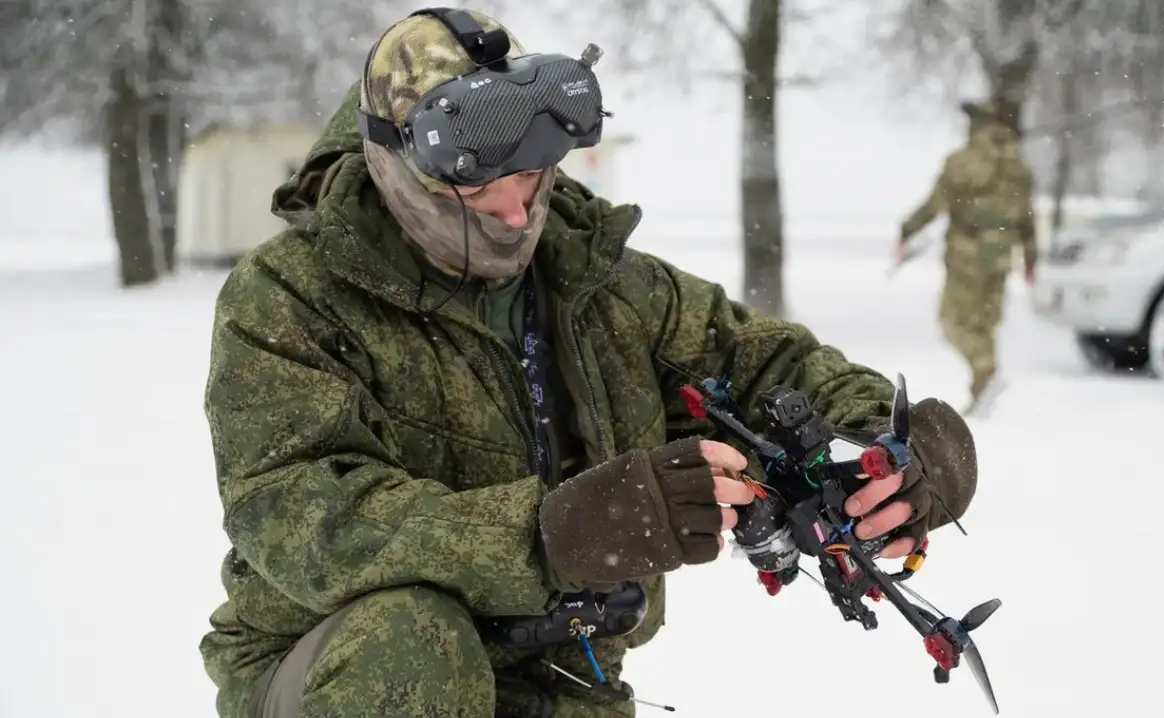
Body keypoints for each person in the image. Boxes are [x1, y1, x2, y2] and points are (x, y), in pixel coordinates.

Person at [199, 9, 982, 718]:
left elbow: (773, 364)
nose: (515, 212)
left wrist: (893, 453)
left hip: (563, 675)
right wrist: (556, 533)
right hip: (336, 672)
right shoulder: (286, 297)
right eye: (479, 192)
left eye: (531, 176)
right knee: (412, 641)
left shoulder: (602, 284)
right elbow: (303, 516)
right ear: (396, 168)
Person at [896, 100, 1037, 416]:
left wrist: (906, 230)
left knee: (952, 322)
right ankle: (983, 389)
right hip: (1002, 255)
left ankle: (986, 372)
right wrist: (1031, 259)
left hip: (966, 255)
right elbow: (1028, 217)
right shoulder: (1019, 167)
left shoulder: (962, 161)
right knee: (984, 323)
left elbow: (934, 205)